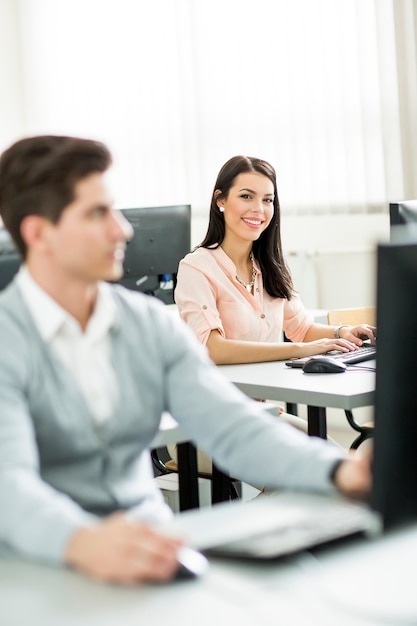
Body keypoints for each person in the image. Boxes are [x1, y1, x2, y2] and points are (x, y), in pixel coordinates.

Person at [0, 136, 370, 587]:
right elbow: (9, 486)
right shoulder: (9, 339)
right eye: (98, 214)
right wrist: (83, 541)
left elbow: (233, 426)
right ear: (39, 233)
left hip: (154, 555)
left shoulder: (146, 325)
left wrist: (338, 470)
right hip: (43, 568)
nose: (124, 230)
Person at [174, 155, 376, 365]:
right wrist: (299, 350)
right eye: (246, 196)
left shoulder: (267, 265)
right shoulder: (196, 268)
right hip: (217, 395)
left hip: (263, 394)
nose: (259, 209)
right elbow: (211, 348)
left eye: (267, 200)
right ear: (220, 200)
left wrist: (341, 332)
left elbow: (302, 329)